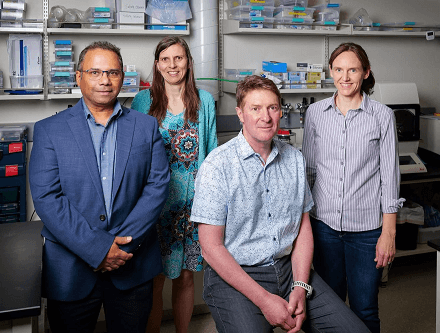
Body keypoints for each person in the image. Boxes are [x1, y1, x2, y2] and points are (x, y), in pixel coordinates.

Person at [191, 75, 371, 333]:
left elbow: (303, 228)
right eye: (255, 108)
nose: (266, 117)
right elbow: (210, 248)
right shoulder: (217, 166)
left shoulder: (294, 159)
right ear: (240, 113)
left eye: (272, 108)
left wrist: (300, 286)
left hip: (288, 270)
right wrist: (264, 299)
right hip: (235, 275)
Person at [29, 41, 170, 333]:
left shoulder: (146, 127)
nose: (105, 80)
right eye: (95, 72)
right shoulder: (49, 130)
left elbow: (157, 186)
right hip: (71, 268)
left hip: (132, 263)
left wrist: (121, 248)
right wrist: (98, 249)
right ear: (79, 77)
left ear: (122, 78)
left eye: (113, 72)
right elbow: (47, 197)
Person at [302, 42, 404, 333]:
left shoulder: (382, 116)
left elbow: (389, 179)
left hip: (367, 231)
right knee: (322, 305)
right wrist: (303, 227)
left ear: (366, 72)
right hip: (324, 227)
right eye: (338, 69)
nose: (345, 77)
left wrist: (389, 233)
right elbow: (308, 173)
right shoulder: (316, 114)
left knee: (365, 308)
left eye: (353, 69)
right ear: (331, 72)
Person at [131, 36, 217, 333]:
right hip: (155, 206)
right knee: (154, 279)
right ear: (157, 64)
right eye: (165, 59)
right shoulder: (144, 101)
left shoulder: (204, 101)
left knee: (186, 277)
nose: (172, 65)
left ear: (188, 62)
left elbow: (212, 151)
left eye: (178, 58)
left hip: (193, 207)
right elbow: (135, 156)